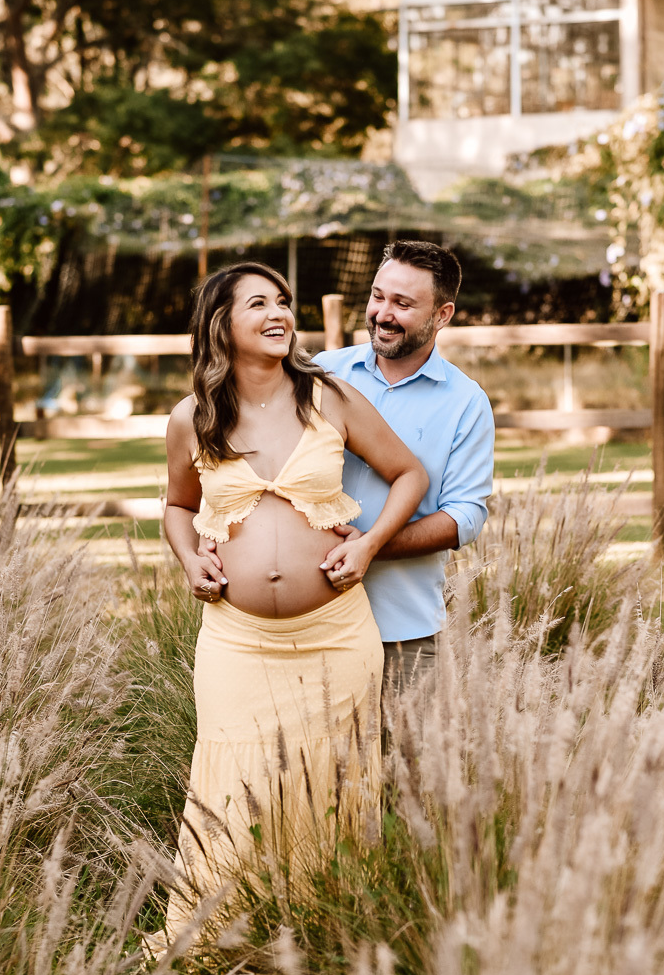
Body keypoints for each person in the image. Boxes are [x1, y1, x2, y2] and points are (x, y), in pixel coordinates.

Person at [160, 260, 427, 937]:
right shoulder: (192, 418)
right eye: (259, 304)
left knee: (330, 783)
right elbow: (175, 505)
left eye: (283, 302)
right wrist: (191, 557)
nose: (279, 313)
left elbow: (408, 475)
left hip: (336, 634)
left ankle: (321, 936)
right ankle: (219, 944)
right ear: (222, 325)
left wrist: (366, 547)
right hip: (236, 641)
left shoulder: (326, 397)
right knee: (231, 782)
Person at [199, 240, 495, 694]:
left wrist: (370, 546)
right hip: (304, 627)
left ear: (443, 315)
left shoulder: (465, 402)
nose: (383, 313)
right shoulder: (320, 374)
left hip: (401, 625)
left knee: (401, 764)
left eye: (403, 303)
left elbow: (465, 517)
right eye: (378, 296)